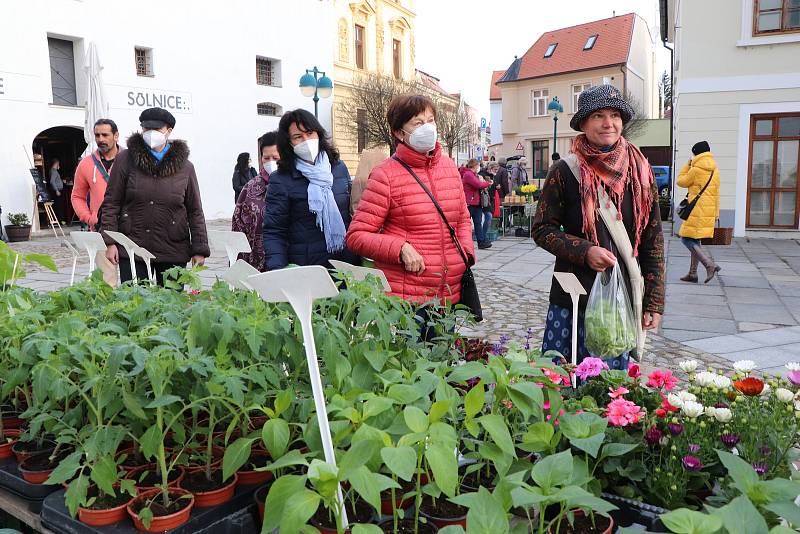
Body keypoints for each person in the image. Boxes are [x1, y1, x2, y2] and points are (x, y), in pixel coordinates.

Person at [532, 84, 665, 369]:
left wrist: (654, 301)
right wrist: (585, 251)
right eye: (598, 115)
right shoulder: (565, 171)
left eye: (615, 115)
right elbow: (542, 229)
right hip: (574, 297)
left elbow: (653, 239)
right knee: (567, 380)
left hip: (622, 299)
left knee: (612, 388)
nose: (609, 123)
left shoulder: (640, 172)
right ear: (584, 123)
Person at [346, 94, 474, 309]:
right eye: (418, 123)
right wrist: (400, 248)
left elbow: (462, 217)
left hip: (449, 293)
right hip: (406, 299)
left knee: (445, 343)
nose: (428, 128)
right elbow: (356, 236)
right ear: (399, 133)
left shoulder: (449, 167)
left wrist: (465, 254)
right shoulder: (385, 174)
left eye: (431, 120)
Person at [102, 107, 210, 285]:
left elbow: (195, 210)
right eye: (146, 129)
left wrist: (199, 248)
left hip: (173, 247)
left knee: (172, 306)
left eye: (157, 129)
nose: (151, 133)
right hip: (132, 245)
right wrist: (110, 241)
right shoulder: (125, 159)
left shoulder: (186, 167)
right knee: (134, 305)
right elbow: (111, 202)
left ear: (168, 131)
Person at [262, 109, 357, 271]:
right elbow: (274, 231)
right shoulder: (281, 179)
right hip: (307, 267)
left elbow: (350, 213)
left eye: (309, 133)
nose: (306, 140)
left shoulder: (338, 168)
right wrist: (278, 271)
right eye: (298, 137)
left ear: (318, 134)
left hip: (344, 263)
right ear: (289, 143)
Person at [71, 118, 120, 285]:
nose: (101, 139)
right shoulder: (85, 164)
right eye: (97, 135)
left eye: (105, 135)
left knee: (134, 281)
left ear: (116, 136)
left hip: (130, 229)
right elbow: (77, 196)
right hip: (101, 229)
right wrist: (88, 217)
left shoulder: (129, 161)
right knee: (107, 283)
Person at [231, 131, 279, 271]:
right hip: (255, 265)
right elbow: (238, 226)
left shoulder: (294, 185)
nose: (271, 162)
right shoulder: (251, 188)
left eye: (276, 158)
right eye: (266, 158)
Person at [677, 140, 721, 283]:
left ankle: (709, 265)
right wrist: (716, 214)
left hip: (696, 210)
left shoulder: (696, 170)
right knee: (695, 240)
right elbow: (717, 193)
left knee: (686, 238)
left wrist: (687, 165)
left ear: (696, 154)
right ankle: (692, 274)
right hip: (708, 211)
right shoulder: (715, 170)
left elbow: (681, 181)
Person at [461, 158, 492, 250]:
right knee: (466, 224)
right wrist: (488, 183)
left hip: (476, 202)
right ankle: (463, 242)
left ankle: (481, 242)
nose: (479, 167)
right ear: (474, 166)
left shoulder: (473, 174)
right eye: (478, 165)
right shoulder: (468, 174)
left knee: (478, 223)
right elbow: (478, 185)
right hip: (470, 203)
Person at [478, 162, 498, 248]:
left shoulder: (492, 175)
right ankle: (483, 237)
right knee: (487, 217)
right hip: (483, 200)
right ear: (490, 168)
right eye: (495, 169)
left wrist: (496, 186)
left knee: (487, 218)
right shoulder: (482, 174)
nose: (496, 171)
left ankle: (483, 237)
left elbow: (493, 185)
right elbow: (481, 185)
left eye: (497, 169)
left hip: (489, 200)